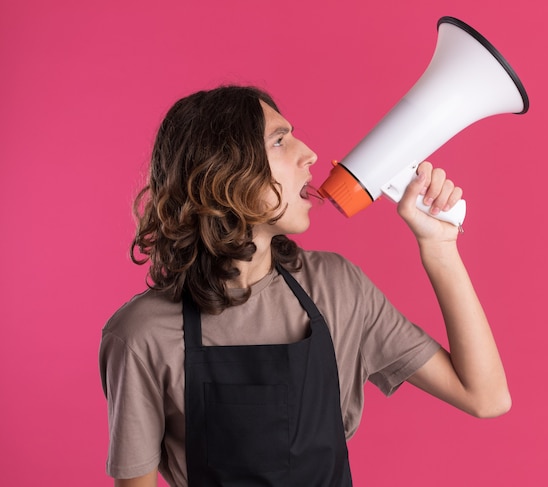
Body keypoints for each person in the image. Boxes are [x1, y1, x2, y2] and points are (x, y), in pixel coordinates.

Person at [99, 85, 510, 487]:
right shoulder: (141, 335)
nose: (309, 154)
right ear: (220, 173)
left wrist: (438, 247)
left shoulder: (338, 288)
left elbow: (486, 397)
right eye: (279, 141)